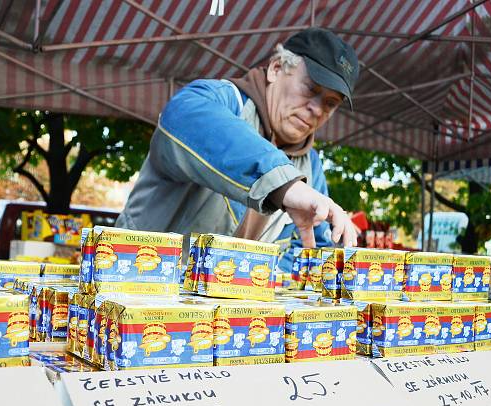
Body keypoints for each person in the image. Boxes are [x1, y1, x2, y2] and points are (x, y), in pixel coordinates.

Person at [116, 28, 359, 270]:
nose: (317, 109)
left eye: (330, 104)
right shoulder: (224, 100)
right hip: (134, 279)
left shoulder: (311, 167)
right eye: (311, 89)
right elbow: (182, 115)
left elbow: (308, 252)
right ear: (276, 69)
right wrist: (285, 185)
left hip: (226, 305)